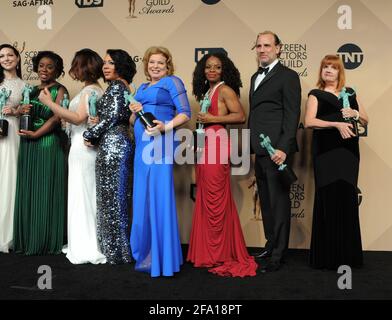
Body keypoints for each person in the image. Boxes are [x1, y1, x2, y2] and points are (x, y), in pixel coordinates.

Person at [187, 52, 258, 277]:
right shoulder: (208, 92)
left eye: (217, 67)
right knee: (208, 196)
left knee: (216, 198)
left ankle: (219, 253)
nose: (212, 71)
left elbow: (240, 116)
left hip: (217, 144)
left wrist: (212, 119)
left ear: (223, 70)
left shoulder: (225, 90)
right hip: (205, 143)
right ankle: (208, 251)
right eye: (208, 67)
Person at [38, 48, 106, 264]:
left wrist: (50, 104)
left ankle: (87, 245)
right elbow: (78, 121)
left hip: (85, 150)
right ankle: (81, 241)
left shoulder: (91, 91)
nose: (72, 69)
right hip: (78, 147)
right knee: (80, 193)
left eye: (76, 65)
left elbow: (79, 118)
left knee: (85, 194)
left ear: (84, 67)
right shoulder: (88, 90)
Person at [129, 46, 191, 277]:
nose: (155, 66)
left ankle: (162, 256)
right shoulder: (142, 87)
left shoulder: (172, 82)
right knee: (143, 197)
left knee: (159, 196)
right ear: (146, 64)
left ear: (168, 66)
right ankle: (144, 252)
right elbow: (133, 120)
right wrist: (135, 111)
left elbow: (185, 113)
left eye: (160, 63)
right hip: (141, 146)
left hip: (161, 144)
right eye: (152, 62)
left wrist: (166, 126)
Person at [304, 54, 368, 270]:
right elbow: (309, 121)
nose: (328, 70)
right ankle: (326, 257)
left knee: (347, 199)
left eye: (333, 67)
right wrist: (336, 124)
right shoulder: (316, 94)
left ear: (340, 72)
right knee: (328, 198)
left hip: (349, 152)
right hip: (326, 152)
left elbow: (366, 119)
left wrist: (356, 113)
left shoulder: (349, 93)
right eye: (325, 67)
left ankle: (347, 256)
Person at [248, 31, 301, 272]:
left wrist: (283, 148)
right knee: (267, 204)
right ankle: (271, 245)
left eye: (267, 45)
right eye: (258, 46)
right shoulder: (253, 77)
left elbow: (292, 115)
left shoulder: (288, 76)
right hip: (259, 150)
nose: (262, 49)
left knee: (279, 203)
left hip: (277, 151)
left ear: (278, 48)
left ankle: (278, 255)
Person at [13, 51, 68, 255]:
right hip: (28, 143)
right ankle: (28, 238)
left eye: (50, 67)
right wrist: (20, 111)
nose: (44, 70)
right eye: (41, 65)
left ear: (58, 71)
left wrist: (36, 134)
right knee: (29, 190)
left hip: (46, 142)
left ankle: (44, 239)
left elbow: (56, 118)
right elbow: (23, 112)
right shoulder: (32, 89)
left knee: (45, 191)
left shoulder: (60, 90)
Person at [83, 49, 135, 265]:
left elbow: (113, 117)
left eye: (110, 63)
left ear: (120, 65)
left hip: (114, 145)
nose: (105, 66)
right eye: (104, 63)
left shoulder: (116, 87)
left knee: (112, 198)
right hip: (118, 142)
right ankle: (118, 249)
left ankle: (116, 251)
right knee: (116, 198)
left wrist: (91, 133)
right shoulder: (122, 87)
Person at [0, 44, 25, 253]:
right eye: (2, 56)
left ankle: (7, 235)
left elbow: (26, 113)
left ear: (17, 59)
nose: (6, 59)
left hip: (12, 135)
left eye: (10, 55)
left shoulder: (24, 86)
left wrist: (15, 111)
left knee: (9, 180)